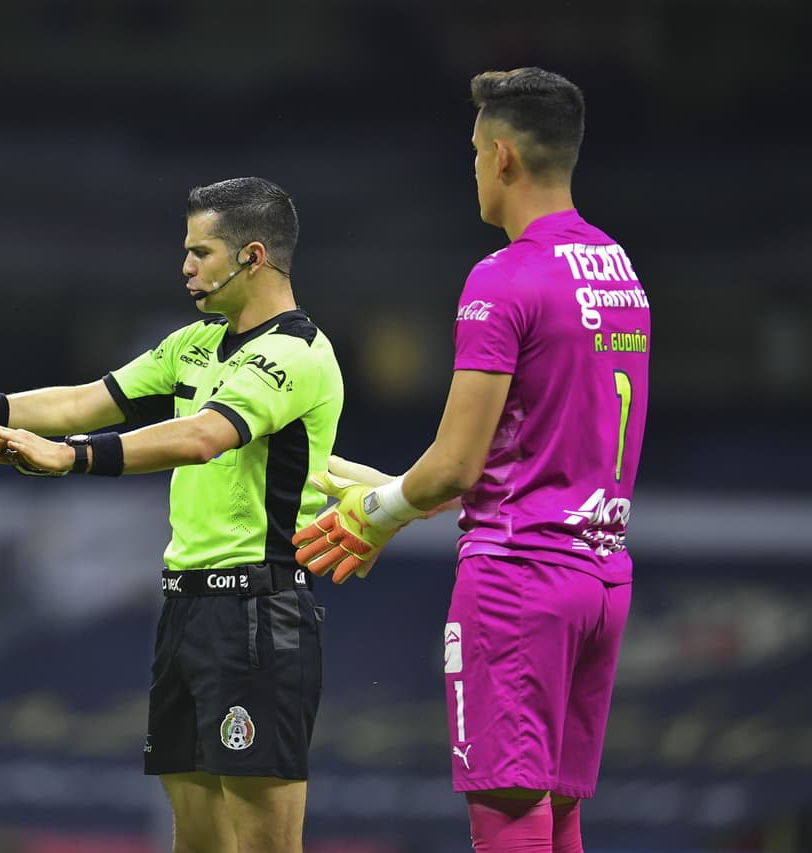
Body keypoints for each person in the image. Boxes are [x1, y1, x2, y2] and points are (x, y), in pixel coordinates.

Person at [0, 177, 343, 853]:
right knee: (198, 840)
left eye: (201, 252)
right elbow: (80, 400)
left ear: (253, 256)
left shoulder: (296, 354)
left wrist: (70, 460)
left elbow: (201, 436)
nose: (185, 266)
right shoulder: (192, 344)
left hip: (258, 613)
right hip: (185, 608)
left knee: (266, 845)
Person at [293, 68, 649, 852]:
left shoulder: (503, 279)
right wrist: (396, 486)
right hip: (601, 577)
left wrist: (375, 514)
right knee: (557, 810)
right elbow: (535, 453)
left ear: (501, 156)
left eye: (473, 155)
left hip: (518, 583)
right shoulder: (621, 272)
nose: (474, 170)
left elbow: (457, 465)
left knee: (508, 816)